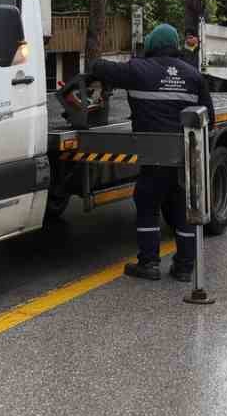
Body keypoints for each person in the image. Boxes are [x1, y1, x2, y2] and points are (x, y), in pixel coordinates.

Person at [87, 23, 214, 282]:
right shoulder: (193, 75)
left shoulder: (137, 70)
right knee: (181, 207)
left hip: (154, 156)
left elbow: (100, 68)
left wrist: (96, 61)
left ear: (152, 45)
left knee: (147, 201)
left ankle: (149, 263)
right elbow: (208, 117)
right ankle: (184, 267)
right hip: (185, 157)